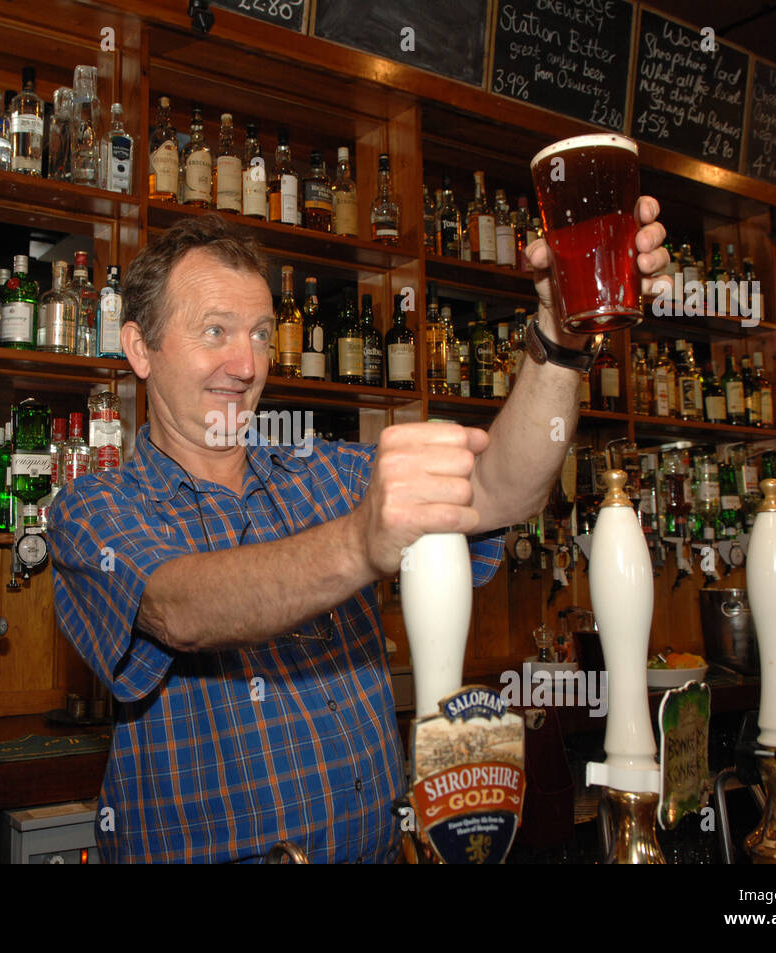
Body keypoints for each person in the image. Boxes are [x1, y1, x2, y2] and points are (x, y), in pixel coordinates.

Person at [50, 202, 671, 863]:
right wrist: (359, 542)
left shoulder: (329, 475)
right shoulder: (94, 507)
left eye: (260, 334)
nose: (244, 363)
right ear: (140, 348)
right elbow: (178, 607)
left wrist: (561, 335)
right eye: (214, 331)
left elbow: (502, 493)